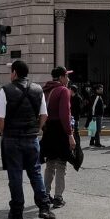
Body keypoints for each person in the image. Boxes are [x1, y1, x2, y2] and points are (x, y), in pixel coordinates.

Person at [0, 60, 55, 219]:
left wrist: (3, 132)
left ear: (14, 73)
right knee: (35, 172)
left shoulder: (5, 90)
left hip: (12, 138)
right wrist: (38, 129)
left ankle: (17, 212)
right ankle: (44, 207)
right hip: (31, 137)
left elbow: (0, 119)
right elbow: (44, 115)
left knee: (15, 175)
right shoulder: (38, 90)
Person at [42, 66, 76, 208]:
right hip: (60, 130)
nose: (68, 79)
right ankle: (58, 197)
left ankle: (45, 194)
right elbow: (65, 114)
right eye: (67, 76)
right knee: (61, 164)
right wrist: (70, 134)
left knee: (50, 163)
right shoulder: (63, 90)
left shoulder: (45, 90)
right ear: (61, 77)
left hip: (48, 129)